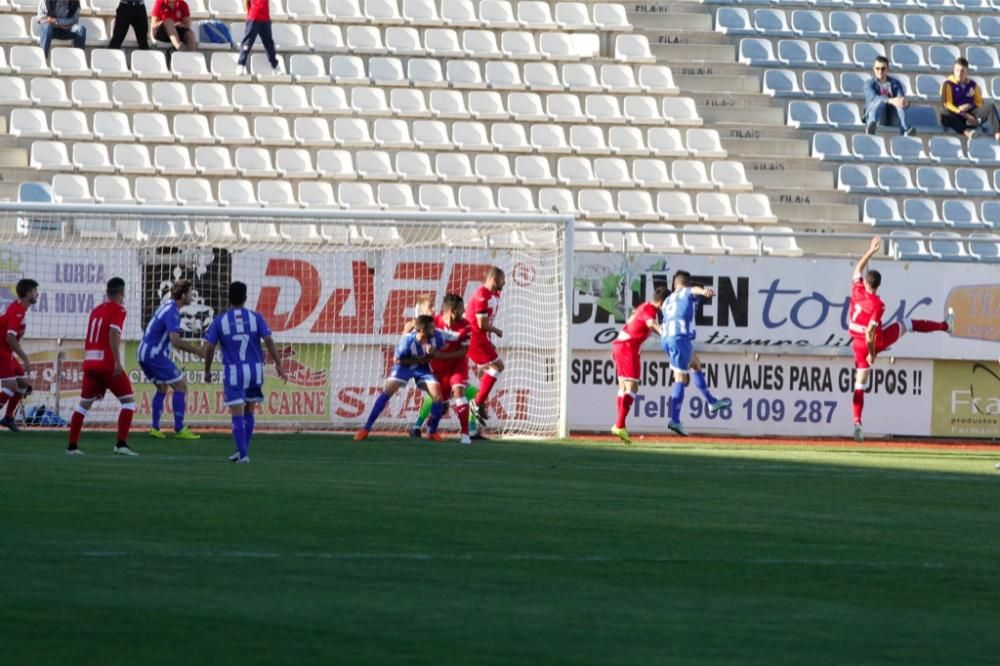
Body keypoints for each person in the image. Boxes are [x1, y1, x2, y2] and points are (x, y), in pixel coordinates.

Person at [848, 237, 953, 442]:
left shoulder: (856, 290)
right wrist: (873, 354)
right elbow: (871, 333)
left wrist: (870, 251)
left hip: (855, 343)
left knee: (859, 385)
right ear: (878, 286)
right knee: (908, 323)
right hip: (873, 342)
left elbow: (857, 270)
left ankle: (857, 422)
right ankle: (946, 326)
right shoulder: (877, 304)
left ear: (866, 283)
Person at [203, 282, 286, 464]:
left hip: (234, 373)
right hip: (255, 371)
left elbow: (209, 347)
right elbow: (268, 340)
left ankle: (243, 454)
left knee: (237, 415)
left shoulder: (220, 321)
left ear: (228, 298)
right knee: (249, 411)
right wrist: (279, 363)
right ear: (246, 298)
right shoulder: (256, 318)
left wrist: (207, 369)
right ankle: (242, 451)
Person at [66, 278, 138, 456]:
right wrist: (117, 361)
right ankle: (121, 444)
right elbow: (113, 334)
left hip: (90, 362)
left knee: (83, 406)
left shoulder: (96, 310)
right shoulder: (119, 309)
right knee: (128, 402)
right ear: (121, 294)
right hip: (106, 363)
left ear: (108, 292)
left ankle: (72, 447)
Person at [354, 315, 447, 441]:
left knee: (438, 396)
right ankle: (366, 429)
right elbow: (398, 360)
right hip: (403, 367)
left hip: (422, 369)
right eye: (431, 328)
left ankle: (432, 432)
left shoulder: (437, 337)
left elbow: (441, 350)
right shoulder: (407, 341)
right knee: (387, 392)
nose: (434, 329)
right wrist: (421, 358)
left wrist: (433, 353)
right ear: (423, 330)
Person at [661, 271, 731, 437]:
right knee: (680, 379)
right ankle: (675, 420)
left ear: (674, 284)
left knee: (695, 363)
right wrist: (705, 291)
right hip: (679, 338)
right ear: (686, 283)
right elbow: (695, 290)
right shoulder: (685, 290)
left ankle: (711, 402)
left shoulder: (667, 300)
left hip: (668, 338)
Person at [138, 280, 206, 440]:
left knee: (162, 388)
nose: (192, 296)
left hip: (143, 352)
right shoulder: (173, 312)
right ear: (183, 295)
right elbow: (175, 340)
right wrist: (198, 351)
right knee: (181, 387)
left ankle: (155, 428)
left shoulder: (167, 304)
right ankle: (180, 428)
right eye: (190, 293)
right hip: (154, 354)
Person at [609, 286, 667, 443]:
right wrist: (665, 333)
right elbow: (650, 323)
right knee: (633, 388)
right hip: (628, 348)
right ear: (662, 303)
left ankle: (620, 425)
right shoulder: (650, 310)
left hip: (619, 344)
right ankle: (619, 425)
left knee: (623, 388)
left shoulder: (643, 306)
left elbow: (633, 321)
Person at [424, 293, 473, 444]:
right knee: (440, 402)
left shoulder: (466, 326)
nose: (463, 311)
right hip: (439, 368)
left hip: (457, 365)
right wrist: (428, 349)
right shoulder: (434, 322)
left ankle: (465, 435)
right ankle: (430, 426)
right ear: (452, 311)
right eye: (460, 309)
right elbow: (423, 339)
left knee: (459, 392)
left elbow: (464, 351)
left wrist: (443, 356)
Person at [464, 267, 505, 427]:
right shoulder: (482, 295)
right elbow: (481, 324)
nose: (504, 283)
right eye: (502, 279)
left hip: (480, 338)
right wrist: (496, 331)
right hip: (474, 338)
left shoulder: (495, 294)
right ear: (494, 279)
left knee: (491, 369)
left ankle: (474, 421)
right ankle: (477, 403)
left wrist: (489, 340)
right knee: (498, 366)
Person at [0, 279, 39, 432]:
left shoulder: (19, 308)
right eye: (35, 291)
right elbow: (10, 338)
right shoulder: (17, 311)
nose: (37, 294)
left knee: (22, 383)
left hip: (6, 351)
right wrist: (25, 358)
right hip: (1, 350)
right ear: (28, 293)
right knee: (11, 386)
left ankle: (8, 418)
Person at [940, 57, 1000, 141]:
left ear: (967, 72)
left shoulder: (972, 85)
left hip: (971, 115)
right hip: (956, 115)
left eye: (962, 71)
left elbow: (980, 102)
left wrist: (970, 105)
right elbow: (947, 104)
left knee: (990, 107)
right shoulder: (948, 84)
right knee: (945, 114)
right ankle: (966, 132)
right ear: (953, 70)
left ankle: (998, 133)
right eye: (957, 70)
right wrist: (963, 113)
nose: (959, 73)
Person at [864, 56, 914, 136]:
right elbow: (873, 98)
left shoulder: (895, 83)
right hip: (878, 116)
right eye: (877, 68)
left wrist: (906, 103)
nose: (880, 71)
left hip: (892, 117)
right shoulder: (869, 84)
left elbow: (900, 98)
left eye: (883, 69)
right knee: (879, 101)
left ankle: (905, 129)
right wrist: (891, 100)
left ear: (887, 69)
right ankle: (871, 125)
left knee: (899, 103)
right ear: (874, 69)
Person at [236, 0, 282, 77]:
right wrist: (250, 13)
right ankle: (241, 64)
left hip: (265, 18)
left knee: (269, 44)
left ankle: (275, 66)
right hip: (254, 17)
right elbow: (245, 2)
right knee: (247, 43)